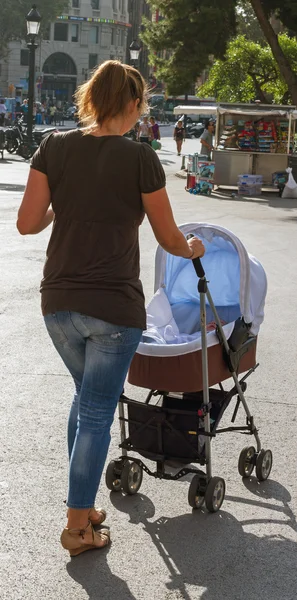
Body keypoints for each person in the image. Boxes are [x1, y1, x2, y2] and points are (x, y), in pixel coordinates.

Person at [16, 60, 205, 558]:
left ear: (89, 98)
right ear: (134, 104)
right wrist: (192, 248)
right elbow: (168, 238)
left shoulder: (53, 146)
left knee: (86, 400)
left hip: (58, 303)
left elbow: (27, 223)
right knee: (97, 409)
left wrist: (63, 204)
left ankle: (85, 506)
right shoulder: (141, 157)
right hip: (114, 308)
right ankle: (78, 526)